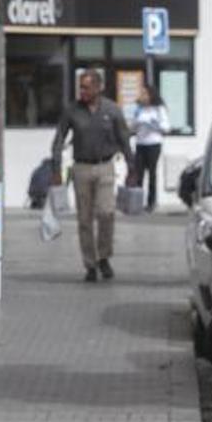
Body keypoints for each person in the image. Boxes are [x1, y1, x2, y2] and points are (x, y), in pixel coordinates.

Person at [51, 70, 135, 282]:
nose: (82, 91)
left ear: (98, 88)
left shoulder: (112, 110)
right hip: (81, 169)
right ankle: (90, 264)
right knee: (84, 219)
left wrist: (131, 168)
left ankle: (104, 257)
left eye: (86, 87)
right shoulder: (72, 110)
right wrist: (56, 168)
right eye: (80, 87)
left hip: (105, 166)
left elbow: (124, 139)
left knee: (106, 213)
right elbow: (59, 138)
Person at [130, 84, 170, 212]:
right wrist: (137, 123)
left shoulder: (158, 109)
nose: (142, 96)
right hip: (141, 143)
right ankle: (138, 202)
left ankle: (151, 202)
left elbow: (166, 127)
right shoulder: (138, 109)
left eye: (144, 94)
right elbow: (132, 127)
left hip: (153, 143)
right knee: (139, 173)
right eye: (141, 94)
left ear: (151, 95)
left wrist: (153, 124)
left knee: (152, 173)